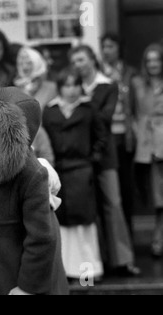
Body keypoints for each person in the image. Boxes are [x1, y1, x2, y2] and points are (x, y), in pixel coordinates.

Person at [0, 79, 68, 295]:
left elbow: (42, 239)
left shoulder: (31, 175)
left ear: (4, 135)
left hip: (22, 279)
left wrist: (27, 288)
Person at [69, 45, 141, 277]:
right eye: (75, 61)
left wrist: (84, 106)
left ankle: (123, 260)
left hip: (106, 154)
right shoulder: (74, 86)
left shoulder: (107, 85)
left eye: (81, 59)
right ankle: (97, 262)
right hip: (81, 154)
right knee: (89, 209)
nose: (78, 65)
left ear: (92, 59)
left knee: (113, 204)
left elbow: (105, 117)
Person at [43, 68, 107, 282]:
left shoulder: (89, 110)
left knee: (84, 225)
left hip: (82, 171)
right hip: (59, 171)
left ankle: (87, 274)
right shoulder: (50, 112)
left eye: (75, 84)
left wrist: (92, 158)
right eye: (66, 85)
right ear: (60, 88)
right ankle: (66, 272)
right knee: (62, 224)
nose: (71, 90)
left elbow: (101, 137)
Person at [101, 33, 139, 234]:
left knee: (127, 189)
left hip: (126, 137)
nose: (107, 50)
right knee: (110, 194)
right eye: (104, 46)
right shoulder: (98, 73)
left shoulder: (130, 73)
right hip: (106, 138)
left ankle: (130, 239)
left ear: (118, 48)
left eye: (111, 46)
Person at [130, 43, 163, 258]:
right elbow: (131, 112)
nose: (152, 64)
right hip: (147, 145)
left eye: (157, 59)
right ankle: (157, 239)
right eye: (149, 60)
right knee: (157, 196)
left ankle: (158, 239)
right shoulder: (137, 83)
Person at [14, 46, 57, 165]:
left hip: (53, 143)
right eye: (21, 63)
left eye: (29, 62)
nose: (25, 66)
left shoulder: (53, 88)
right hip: (28, 146)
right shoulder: (15, 90)